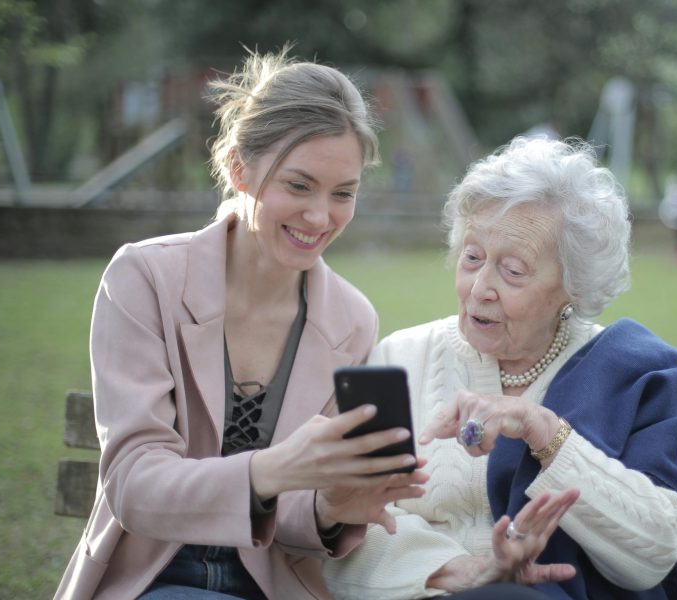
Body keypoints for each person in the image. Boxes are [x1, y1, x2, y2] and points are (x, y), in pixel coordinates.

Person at [56, 49, 428, 600]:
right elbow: (133, 484)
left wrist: (330, 505)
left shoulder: (351, 320)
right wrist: (271, 469)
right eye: (298, 186)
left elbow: (296, 514)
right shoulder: (144, 278)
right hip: (150, 579)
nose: (320, 217)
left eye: (342, 193)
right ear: (238, 168)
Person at [322, 136, 677, 599]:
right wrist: (456, 569)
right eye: (472, 258)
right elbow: (342, 525)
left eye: (512, 271)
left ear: (574, 286)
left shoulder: (641, 374)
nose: (480, 288)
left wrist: (544, 432)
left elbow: (657, 550)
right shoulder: (402, 357)